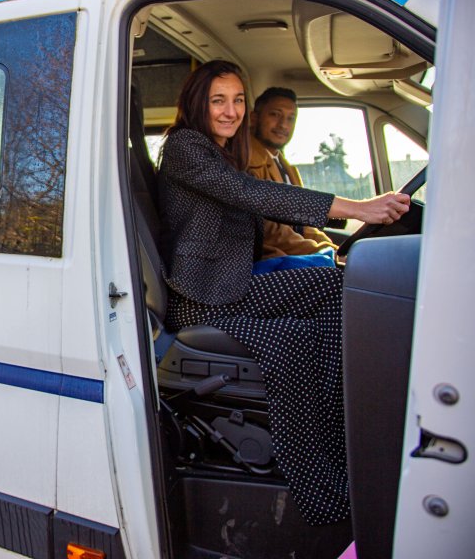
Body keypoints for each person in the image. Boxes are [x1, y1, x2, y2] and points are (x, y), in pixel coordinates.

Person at [155, 60, 409, 526]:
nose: (231, 111)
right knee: (303, 325)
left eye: (237, 100)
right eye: (218, 100)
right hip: (200, 296)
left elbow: (256, 211)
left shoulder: (221, 150)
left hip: (231, 286)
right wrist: (357, 208)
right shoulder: (185, 147)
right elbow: (252, 194)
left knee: (332, 293)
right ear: (197, 103)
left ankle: (339, 443)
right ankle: (325, 478)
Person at [248, 87, 337, 272]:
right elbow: (270, 232)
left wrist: (334, 250)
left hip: (293, 256)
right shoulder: (248, 164)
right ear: (254, 118)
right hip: (272, 264)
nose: (283, 125)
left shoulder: (286, 167)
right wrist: (322, 253)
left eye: (291, 118)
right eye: (275, 115)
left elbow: (304, 226)